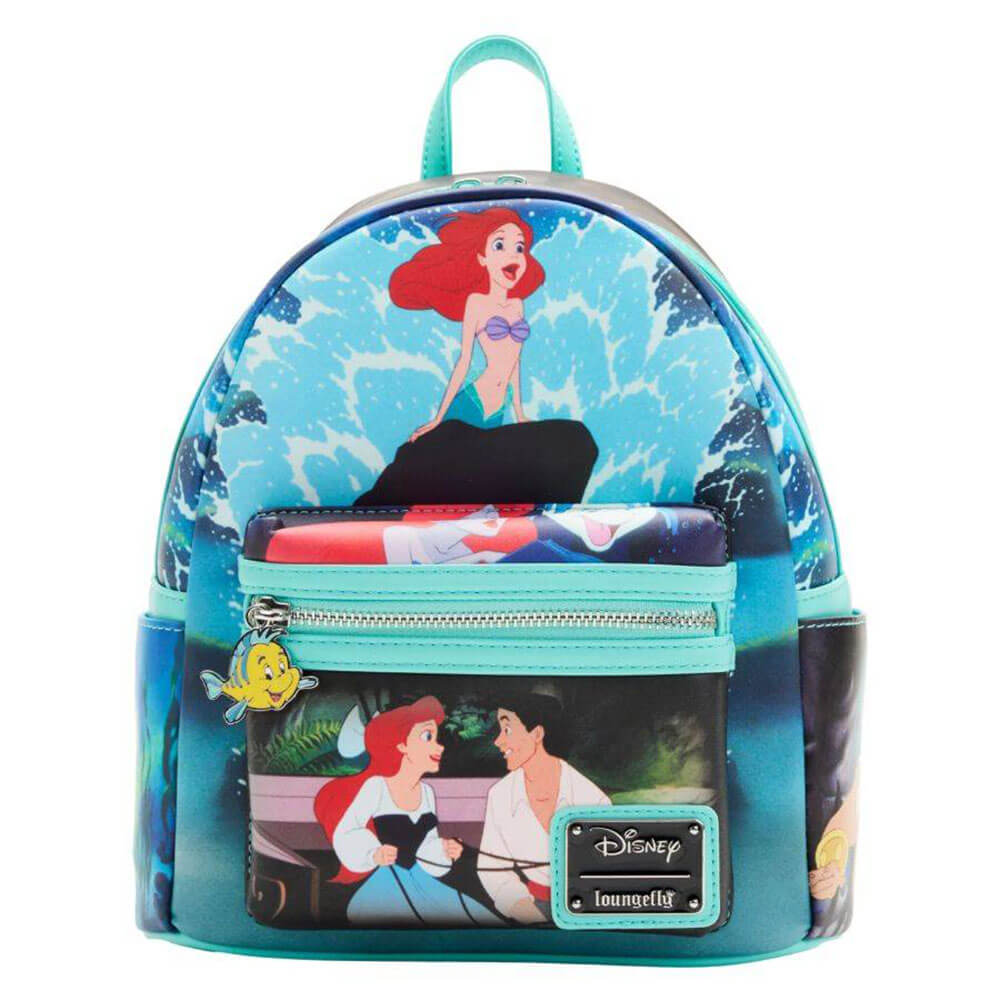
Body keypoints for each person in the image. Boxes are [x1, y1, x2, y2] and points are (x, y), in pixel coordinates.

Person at [314, 696, 499, 926]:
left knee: (472, 918)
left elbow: (426, 845)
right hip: (388, 884)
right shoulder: (377, 786)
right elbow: (347, 830)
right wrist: (373, 853)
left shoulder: (427, 792)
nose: (439, 746)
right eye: (427, 737)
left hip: (423, 880)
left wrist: (443, 849)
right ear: (401, 744)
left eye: (436, 737)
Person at [389, 207, 545, 437]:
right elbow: (464, 360)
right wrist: (438, 418)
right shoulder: (477, 302)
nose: (513, 256)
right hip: (473, 402)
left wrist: (519, 413)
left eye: (519, 248)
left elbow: (515, 362)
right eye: (499, 245)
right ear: (482, 258)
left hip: (499, 407)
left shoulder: (517, 305)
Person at [478, 693, 610, 923]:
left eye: (507, 730)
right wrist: (526, 911)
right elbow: (492, 867)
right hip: (526, 908)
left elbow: (605, 873)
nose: (498, 741)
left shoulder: (592, 799)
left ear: (537, 733)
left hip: (586, 912)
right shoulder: (500, 795)